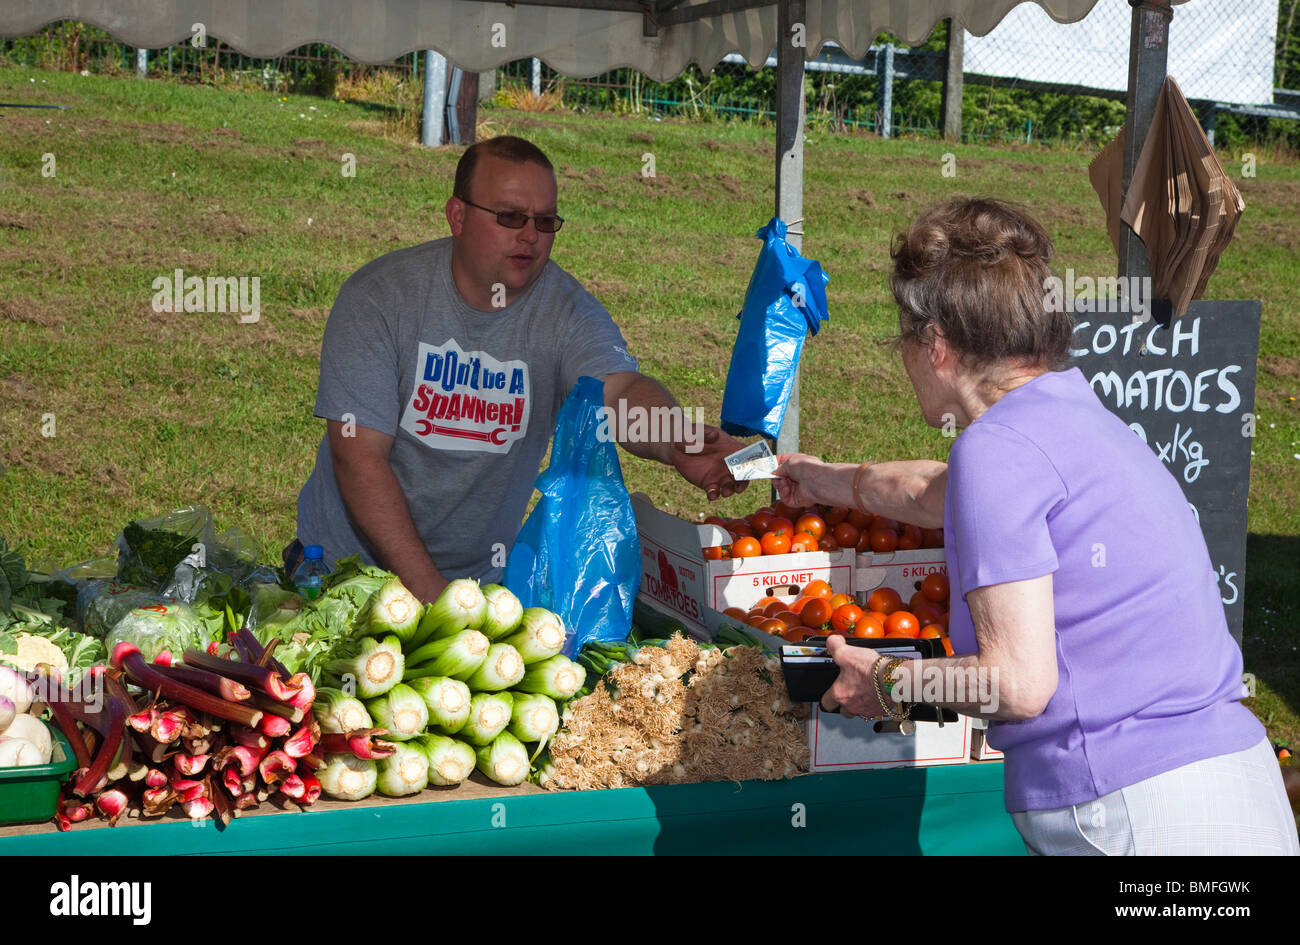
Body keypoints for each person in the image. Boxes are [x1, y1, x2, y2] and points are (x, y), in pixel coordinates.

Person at [775, 197, 1297, 856]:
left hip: (1136, 807)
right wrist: (816, 477)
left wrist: (886, 682)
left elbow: (1017, 684)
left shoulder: (996, 450)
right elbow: (933, 492)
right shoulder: (1070, 414)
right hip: (1233, 793)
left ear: (934, 343)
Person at [293, 135, 747, 602]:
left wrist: (673, 437)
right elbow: (358, 458)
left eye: (545, 222)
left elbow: (618, 389)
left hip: (477, 586)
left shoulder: (566, 312)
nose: (530, 236)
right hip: (344, 578)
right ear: (458, 215)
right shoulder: (380, 297)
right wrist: (432, 597)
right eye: (510, 217)